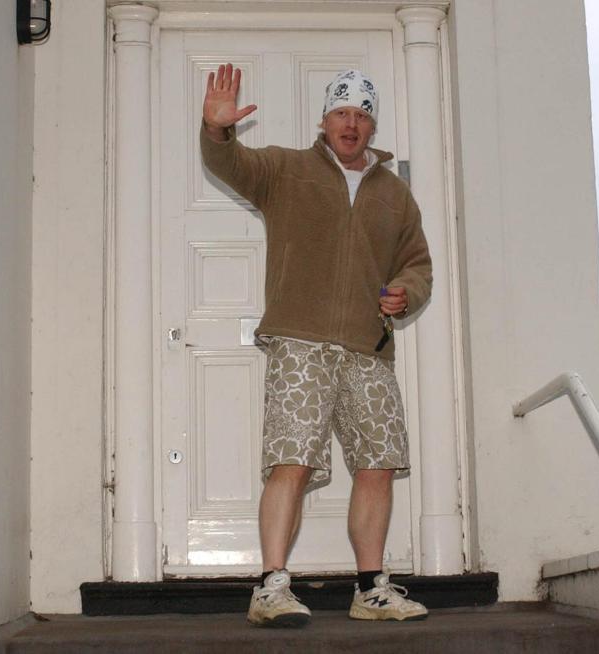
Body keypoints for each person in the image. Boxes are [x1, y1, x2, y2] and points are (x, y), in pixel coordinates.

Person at [201, 63, 432, 628]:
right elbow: (229, 163)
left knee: (378, 464)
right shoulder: (285, 169)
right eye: (341, 113)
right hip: (300, 343)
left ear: (371, 126)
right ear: (324, 119)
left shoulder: (396, 195)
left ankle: (370, 589)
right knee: (292, 461)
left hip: (368, 349)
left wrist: (406, 291)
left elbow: (416, 263)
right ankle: (272, 587)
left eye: (361, 115)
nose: (350, 124)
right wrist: (217, 130)